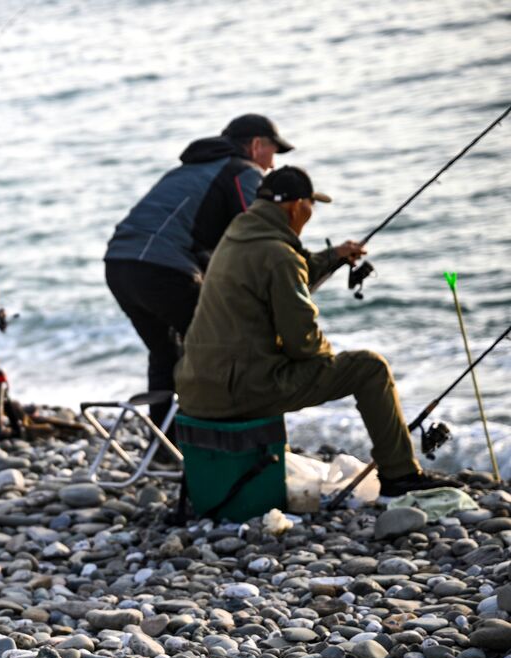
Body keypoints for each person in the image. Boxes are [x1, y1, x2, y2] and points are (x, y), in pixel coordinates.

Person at [175, 166, 447, 496]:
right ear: (295, 206)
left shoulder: (236, 239)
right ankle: (401, 474)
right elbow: (302, 341)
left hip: (197, 391)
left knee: (319, 363)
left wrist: (333, 257)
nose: (311, 213)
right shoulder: (278, 255)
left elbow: (288, 269)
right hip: (241, 394)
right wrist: (328, 365)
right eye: (310, 205)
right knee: (369, 368)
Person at [104, 114, 290, 422]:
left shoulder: (186, 171)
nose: (272, 165)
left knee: (166, 353)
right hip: (162, 269)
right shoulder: (244, 171)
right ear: (257, 145)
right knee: (223, 348)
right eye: (273, 152)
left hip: (119, 265)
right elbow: (258, 233)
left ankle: (169, 445)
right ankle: (225, 439)